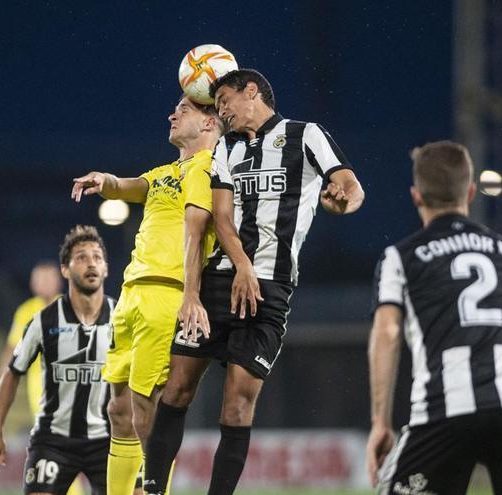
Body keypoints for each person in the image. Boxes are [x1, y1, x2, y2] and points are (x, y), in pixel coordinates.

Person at [143, 68, 365, 495]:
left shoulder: (306, 135)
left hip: (271, 290)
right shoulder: (226, 148)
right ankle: (151, 489)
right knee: (177, 388)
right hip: (219, 282)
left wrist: (346, 204)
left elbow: (349, 184)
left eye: (224, 99)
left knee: (239, 404)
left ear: (252, 92)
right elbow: (221, 217)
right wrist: (242, 264)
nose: (221, 110)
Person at [366, 141, 502, 495]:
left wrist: (380, 421)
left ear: (416, 196)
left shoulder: (399, 257)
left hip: (443, 410)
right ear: (470, 192)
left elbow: (388, 332)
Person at [71, 96, 224, 495]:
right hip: (132, 293)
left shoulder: (209, 168)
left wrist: (191, 293)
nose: (172, 115)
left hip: (166, 294)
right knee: (118, 410)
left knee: (148, 411)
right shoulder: (165, 172)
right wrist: (105, 180)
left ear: (209, 124)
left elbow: (198, 231)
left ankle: (156, 490)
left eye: (184, 110)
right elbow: (129, 187)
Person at [0, 225, 114, 495]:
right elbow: (12, 369)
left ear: (106, 269)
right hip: (54, 437)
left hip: (109, 438)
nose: (90, 263)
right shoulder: (40, 318)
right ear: (65, 270)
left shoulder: (121, 316)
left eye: (97, 257)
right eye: (81, 257)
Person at [2, 261, 63, 417]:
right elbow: (13, 347)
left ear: (59, 281)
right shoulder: (25, 311)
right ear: (33, 284)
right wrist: (6, 380)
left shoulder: (73, 307)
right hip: (39, 385)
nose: (45, 283)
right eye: (41, 279)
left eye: (49, 279)